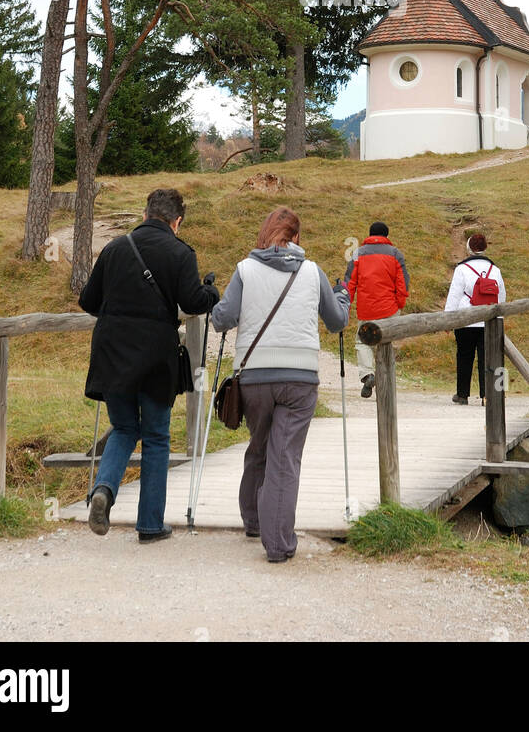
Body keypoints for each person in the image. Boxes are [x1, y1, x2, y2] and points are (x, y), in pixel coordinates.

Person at [78, 188, 220, 543]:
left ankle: (105, 490)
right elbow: (192, 301)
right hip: (157, 355)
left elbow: (88, 300)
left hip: (112, 353)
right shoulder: (181, 252)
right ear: (177, 221)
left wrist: (119, 316)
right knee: (156, 437)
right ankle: (150, 524)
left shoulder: (114, 248)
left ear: (145, 214)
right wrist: (211, 293)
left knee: (124, 428)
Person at [211, 206, 349, 564]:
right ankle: (279, 544)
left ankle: (254, 521)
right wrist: (343, 296)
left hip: (255, 377)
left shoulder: (244, 269)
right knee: (284, 456)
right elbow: (336, 322)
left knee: (259, 446)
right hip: (300, 378)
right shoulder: (312, 271)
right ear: (297, 237)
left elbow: (222, 319)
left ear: (264, 234)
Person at [343, 220, 409, 398]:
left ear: (370, 235)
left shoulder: (358, 254)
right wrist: (399, 304)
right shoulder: (396, 254)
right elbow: (402, 283)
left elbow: (350, 283)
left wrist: (346, 306)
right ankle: (386, 382)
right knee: (386, 342)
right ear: (386, 236)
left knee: (362, 341)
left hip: (367, 309)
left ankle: (367, 374)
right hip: (389, 308)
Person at [444, 233, 506, 405]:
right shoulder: (495, 270)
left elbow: (454, 295)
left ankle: (462, 394)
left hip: (466, 319)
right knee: (487, 359)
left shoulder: (462, 269)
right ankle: (487, 395)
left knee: (464, 355)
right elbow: (501, 296)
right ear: (485, 247)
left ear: (469, 248)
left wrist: (448, 319)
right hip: (488, 320)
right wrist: (499, 318)